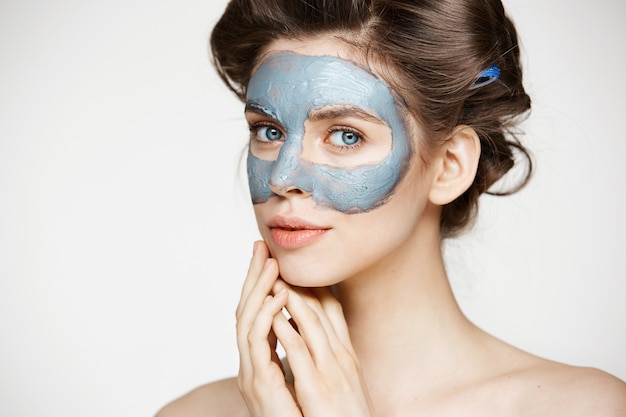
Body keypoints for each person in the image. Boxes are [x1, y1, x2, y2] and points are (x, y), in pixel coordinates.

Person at [157, 0, 626, 415]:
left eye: (346, 135)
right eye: (269, 131)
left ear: (449, 165)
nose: (282, 177)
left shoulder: (585, 409)